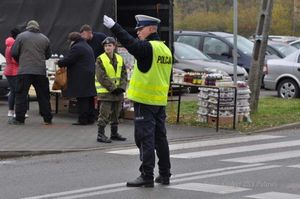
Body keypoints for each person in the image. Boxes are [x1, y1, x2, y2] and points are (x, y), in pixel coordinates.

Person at [103, 14, 172, 187]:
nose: (137, 32)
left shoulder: (148, 48)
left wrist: (114, 27)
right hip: (160, 101)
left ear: (150, 29)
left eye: (140, 29)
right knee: (161, 139)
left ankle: (146, 175)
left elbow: (130, 43)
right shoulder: (165, 49)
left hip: (145, 101)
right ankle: (165, 174)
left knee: (145, 139)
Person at [10, 20, 52, 125]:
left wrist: (21, 61)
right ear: (38, 27)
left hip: (24, 71)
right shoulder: (45, 38)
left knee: (21, 95)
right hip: (40, 71)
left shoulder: (21, 37)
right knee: (43, 96)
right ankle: (47, 118)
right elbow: (48, 55)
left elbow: (14, 52)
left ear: (28, 27)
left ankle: (19, 119)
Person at [57, 32, 97, 125]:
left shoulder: (77, 47)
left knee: (82, 97)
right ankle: (91, 118)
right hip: (89, 74)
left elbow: (70, 59)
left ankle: (82, 119)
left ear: (72, 41)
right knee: (89, 97)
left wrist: (60, 62)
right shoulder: (87, 46)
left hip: (80, 76)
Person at [95, 37, 127, 143]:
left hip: (117, 92)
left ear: (114, 46)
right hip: (106, 92)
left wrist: (122, 87)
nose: (107, 47)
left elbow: (123, 74)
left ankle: (114, 133)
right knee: (104, 114)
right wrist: (113, 88)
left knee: (116, 114)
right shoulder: (100, 59)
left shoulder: (119, 58)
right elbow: (101, 76)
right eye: (105, 46)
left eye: (109, 45)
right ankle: (100, 134)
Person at [4, 28, 20, 117]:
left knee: (13, 91)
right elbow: (15, 61)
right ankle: (16, 112)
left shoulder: (8, 45)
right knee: (17, 91)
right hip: (14, 71)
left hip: (8, 70)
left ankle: (11, 111)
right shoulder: (14, 46)